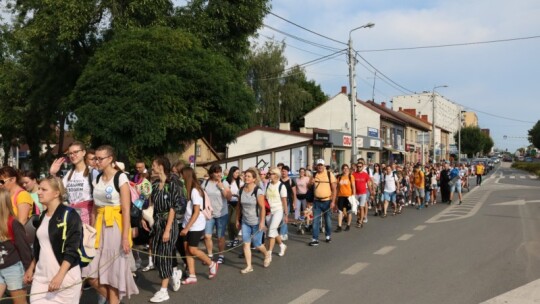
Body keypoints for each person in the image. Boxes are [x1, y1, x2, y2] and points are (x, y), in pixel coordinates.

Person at [84, 145, 138, 303]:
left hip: (115, 225)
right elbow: (94, 207)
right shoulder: (97, 179)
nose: (97, 161)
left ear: (110, 159)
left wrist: (125, 238)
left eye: (100, 158)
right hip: (100, 225)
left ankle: (114, 301)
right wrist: (92, 230)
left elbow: (126, 210)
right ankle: (113, 301)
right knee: (89, 273)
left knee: (113, 272)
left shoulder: (120, 177)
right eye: (95, 158)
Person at [24, 176, 82, 303]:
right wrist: (31, 267)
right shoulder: (43, 215)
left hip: (64, 278)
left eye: (44, 189)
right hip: (41, 278)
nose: (39, 192)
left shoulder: (70, 215)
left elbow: (72, 249)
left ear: (56, 193)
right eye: (39, 189)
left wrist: (59, 276)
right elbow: (40, 246)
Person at [147, 157, 181, 302]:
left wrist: (167, 230)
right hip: (157, 223)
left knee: (165, 255)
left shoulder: (173, 184)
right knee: (156, 255)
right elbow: (151, 204)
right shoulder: (155, 185)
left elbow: (173, 208)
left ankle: (163, 290)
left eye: (154, 165)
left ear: (161, 166)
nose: (152, 167)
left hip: (169, 223)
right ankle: (174, 272)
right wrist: (147, 219)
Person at [179, 167, 218, 285]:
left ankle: (211, 264)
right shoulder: (188, 189)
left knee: (192, 249)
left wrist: (186, 228)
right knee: (187, 250)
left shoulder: (195, 191)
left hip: (196, 224)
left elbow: (196, 212)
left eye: (181, 176)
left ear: (186, 176)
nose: (180, 178)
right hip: (187, 222)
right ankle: (192, 275)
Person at [49, 141, 95, 226]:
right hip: (72, 216)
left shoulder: (92, 172)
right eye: (70, 153)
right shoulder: (69, 174)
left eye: (76, 152)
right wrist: (53, 174)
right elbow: (60, 192)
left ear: (84, 152)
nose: (72, 155)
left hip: (88, 216)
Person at [236, 168, 271, 273]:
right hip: (245, 221)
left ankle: (267, 254)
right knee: (246, 244)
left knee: (257, 244)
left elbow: (262, 208)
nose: (246, 178)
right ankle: (249, 266)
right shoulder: (241, 190)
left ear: (254, 179)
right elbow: (239, 206)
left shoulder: (258, 191)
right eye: (245, 176)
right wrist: (237, 220)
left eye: (249, 176)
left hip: (256, 221)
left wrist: (262, 222)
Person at [0, 188, 32, 304]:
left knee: (20, 302)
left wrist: (29, 269)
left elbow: (24, 248)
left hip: (13, 268)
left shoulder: (13, 223)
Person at [202, 164, 231, 265]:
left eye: (220, 172)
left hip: (221, 214)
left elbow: (229, 198)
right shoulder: (205, 183)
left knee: (220, 237)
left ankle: (221, 255)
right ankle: (209, 255)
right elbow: (202, 196)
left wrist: (222, 188)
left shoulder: (224, 182)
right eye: (216, 172)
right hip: (209, 214)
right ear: (211, 173)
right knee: (207, 236)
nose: (219, 174)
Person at [309, 159, 337, 246]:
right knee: (315, 221)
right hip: (317, 201)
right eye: (319, 165)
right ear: (316, 166)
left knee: (328, 220)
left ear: (324, 166)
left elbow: (334, 189)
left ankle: (328, 236)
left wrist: (333, 202)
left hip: (327, 201)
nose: (320, 167)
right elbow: (309, 186)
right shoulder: (314, 174)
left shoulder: (329, 174)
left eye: (321, 165)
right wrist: (311, 183)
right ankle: (315, 239)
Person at [264, 168, 288, 256]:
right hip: (269, 212)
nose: (270, 175)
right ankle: (282, 245)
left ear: (277, 175)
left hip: (278, 210)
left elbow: (284, 201)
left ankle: (269, 253)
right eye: (270, 174)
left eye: (272, 174)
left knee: (271, 232)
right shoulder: (268, 185)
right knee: (273, 231)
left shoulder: (281, 186)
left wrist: (286, 215)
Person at [225, 166, 243, 249]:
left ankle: (236, 237)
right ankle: (231, 239)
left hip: (237, 204)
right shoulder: (226, 181)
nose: (237, 174)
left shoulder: (240, 182)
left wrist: (235, 195)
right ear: (232, 172)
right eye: (236, 172)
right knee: (228, 223)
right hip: (228, 203)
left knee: (233, 221)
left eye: (238, 173)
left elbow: (242, 193)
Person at [335, 164, 355, 231]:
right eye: (344, 168)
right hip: (341, 196)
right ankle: (339, 226)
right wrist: (336, 197)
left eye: (346, 168)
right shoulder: (339, 177)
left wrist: (353, 196)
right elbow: (337, 188)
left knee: (349, 211)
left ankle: (348, 225)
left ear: (348, 169)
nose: (345, 170)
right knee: (340, 211)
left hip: (348, 196)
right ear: (342, 169)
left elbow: (353, 187)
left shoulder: (350, 176)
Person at [279, 166, 296, 240]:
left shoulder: (291, 181)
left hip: (288, 201)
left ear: (288, 172)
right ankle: (285, 233)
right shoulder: (278, 180)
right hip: (279, 201)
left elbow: (294, 193)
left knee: (284, 217)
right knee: (280, 218)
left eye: (285, 171)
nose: (283, 172)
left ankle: (282, 234)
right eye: (282, 171)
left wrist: (294, 203)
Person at [352, 161, 368, 227]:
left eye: (360, 166)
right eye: (358, 166)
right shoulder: (354, 174)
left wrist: (371, 191)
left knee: (361, 207)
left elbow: (368, 183)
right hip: (356, 194)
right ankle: (359, 217)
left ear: (363, 167)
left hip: (363, 193)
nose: (359, 168)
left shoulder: (365, 174)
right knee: (355, 209)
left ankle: (360, 222)